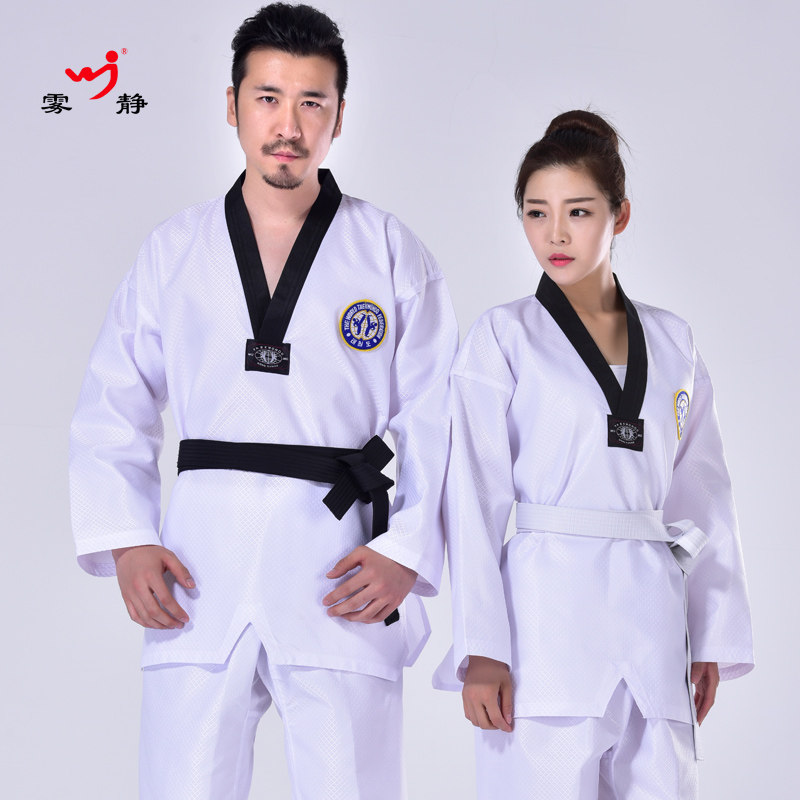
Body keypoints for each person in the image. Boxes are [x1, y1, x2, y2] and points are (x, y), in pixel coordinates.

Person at [69, 4, 457, 799]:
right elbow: (114, 401)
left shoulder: (389, 252)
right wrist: (128, 537)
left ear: (340, 115)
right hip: (200, 567)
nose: (289, 125)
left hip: (340, 567)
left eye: (312, 102)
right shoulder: (175, 251)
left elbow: (439, 414)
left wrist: (406, 549)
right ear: (232, 105)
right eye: (269, 98)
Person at [436, 110, 753, 798]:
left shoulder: (673, 342)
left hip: (654, 623)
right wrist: (481, 649)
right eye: (536, 213)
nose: (555, 234)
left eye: (578, 212)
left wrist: (711, 637)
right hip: (544, 626)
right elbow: (472, 497)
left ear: (620, 215)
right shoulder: (504, 337)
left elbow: (704, 495)